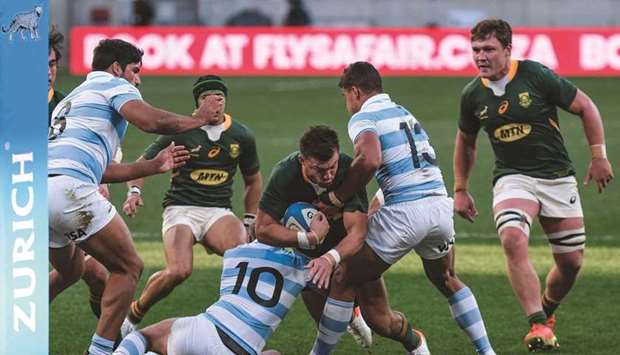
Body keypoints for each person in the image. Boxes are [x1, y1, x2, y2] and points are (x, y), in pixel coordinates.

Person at [48, 38, 224, 355]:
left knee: (71, 270)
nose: (138, 79)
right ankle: (100, 352)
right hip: (71, 190)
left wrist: (152, 165)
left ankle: (11, 322)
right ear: (117, 68)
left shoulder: (71, 98)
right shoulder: (113, 84)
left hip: (42, 191)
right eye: (135, 70)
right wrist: (198, 117)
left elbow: (99, 169)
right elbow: (150, 121)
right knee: (128, 267)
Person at [312, 62, 495, 355]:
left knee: (343, 276)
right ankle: (487, 352)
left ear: (355, 92)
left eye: (346, 95)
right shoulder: (403, 113)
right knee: (446, 279)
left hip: (405, 214)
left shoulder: (364, 116)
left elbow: (369, 160)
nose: (347, 102)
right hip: (439, 207)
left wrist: (336, 198)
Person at [453, 19, 614, 352]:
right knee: (512, 237)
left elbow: (586, 107)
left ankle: (547, 311)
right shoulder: (472, 95)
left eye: (489, 49)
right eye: (476, 50)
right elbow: (466, 142)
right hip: (512, 177)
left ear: (508, 49)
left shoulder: (535, 75)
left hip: (556, 177)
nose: (481, 56)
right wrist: (460, 188)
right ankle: (537, 324)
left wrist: (598, 156)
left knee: (571, 263)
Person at [120, 75, 262, 335]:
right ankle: (134, 314)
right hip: (181, 209)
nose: (217, 105)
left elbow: (253, 181)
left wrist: (250, 218)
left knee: (244, 257)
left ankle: (235, 326)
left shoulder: (240, 135)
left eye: (220, 99)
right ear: (200, 103)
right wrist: (135, 191)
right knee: (179, 270)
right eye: (211, 99)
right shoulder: (181, 131)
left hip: (218, 212)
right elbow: (142, 164)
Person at [255, 125, 373, 348]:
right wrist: (308, 238)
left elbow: (357, 233)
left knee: (380, 320)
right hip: (308, 251)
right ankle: (348, 315)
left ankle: (415, 343)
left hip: (345, 249)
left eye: (332, 167)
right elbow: (262, 229)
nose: (328, 175)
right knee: (325, 327)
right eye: (319, 169)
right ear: (302, 160)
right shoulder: (285, 174)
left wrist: (331, 259)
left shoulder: (348, 169)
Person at [112, 241, 308, 355]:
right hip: (242, 349)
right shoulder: (305, 269)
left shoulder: (236, 252)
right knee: (273, 354)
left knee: (144, 336)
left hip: (205, 331)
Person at [47, 26, 110, 321]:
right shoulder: (11, 107)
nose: (48, 71)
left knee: (97, 276)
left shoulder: (68, 106)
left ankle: (114, 339)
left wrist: (95, 180)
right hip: (19, 204)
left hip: (57, 201)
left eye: (52, 64)